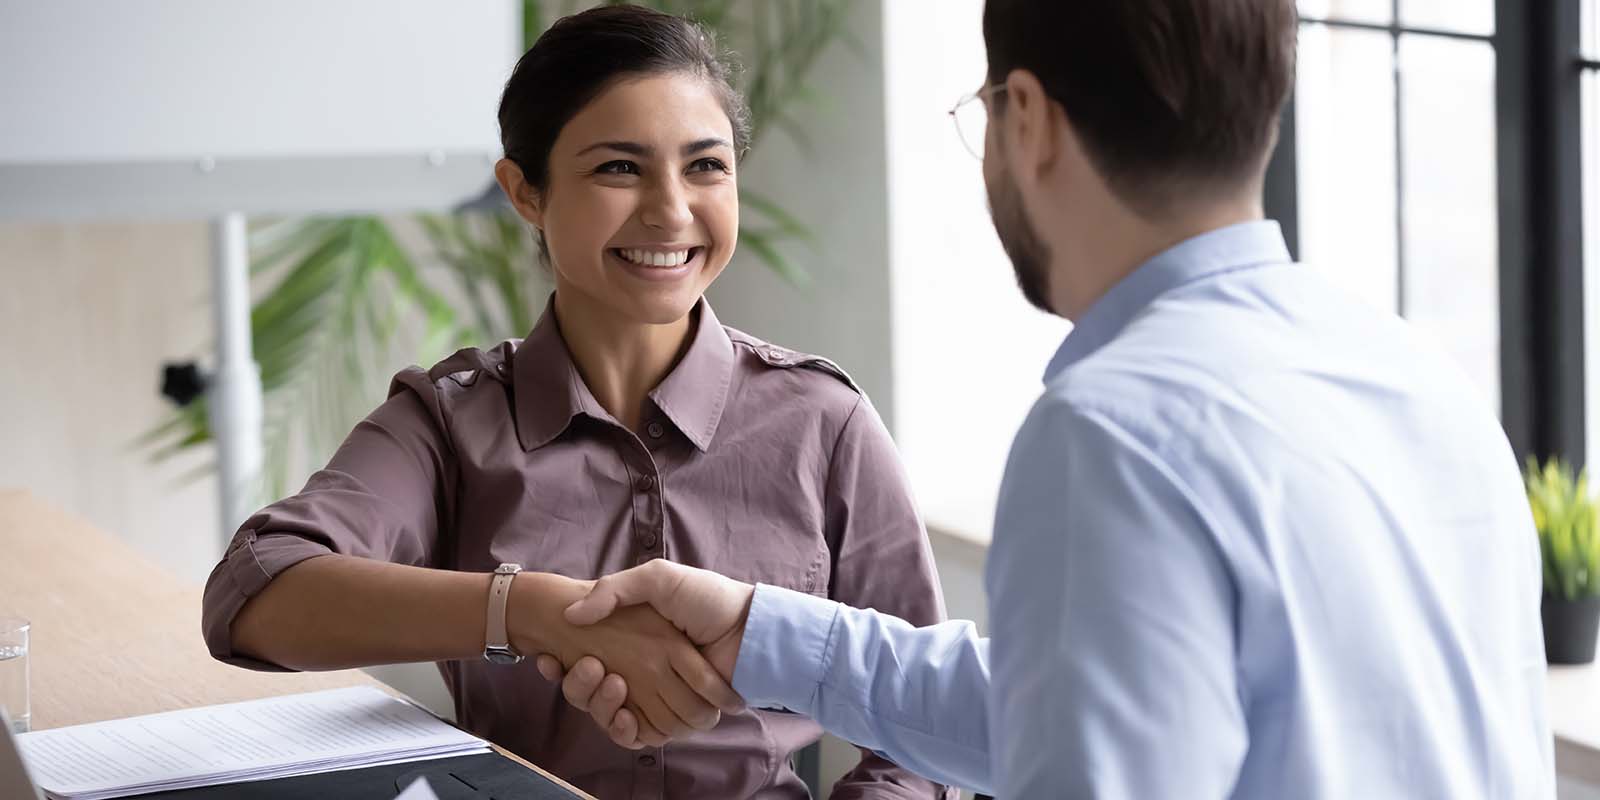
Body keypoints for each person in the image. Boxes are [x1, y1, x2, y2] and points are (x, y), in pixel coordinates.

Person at [537, 0, 1556, 797]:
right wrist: (763, 631)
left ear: (1026, 119)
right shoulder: (1418, 378)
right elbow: (1083, 706)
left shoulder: (1113, 431)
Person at [198, 6, 954, 799]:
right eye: (619, 169)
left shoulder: (824, 423)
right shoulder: (450, 422)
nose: (671, 210)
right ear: (525, 192)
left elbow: (925, 725)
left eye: (705, 166)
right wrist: (530, 610)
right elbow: (255, 590)